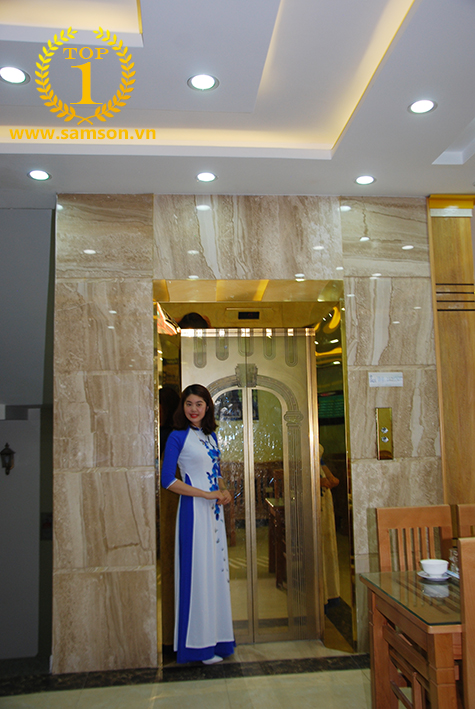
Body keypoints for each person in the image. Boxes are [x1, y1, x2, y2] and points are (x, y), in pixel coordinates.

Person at [161, 384, 235, 664]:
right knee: (197, 575)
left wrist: (223, 491)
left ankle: (217, 641)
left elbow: (216, 473)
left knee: (215, 573)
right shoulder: (176, 437)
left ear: (207, 407)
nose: (194, 409)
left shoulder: (211, 436)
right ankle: (197, 647)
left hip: (213, 513)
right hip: (193, 512)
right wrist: (206, 495)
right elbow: (168, 480)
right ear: (183, 407)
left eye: (199, 404)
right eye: (189, 404)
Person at [319, 443, 341, 605]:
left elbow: (321, 464)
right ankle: (320, 594)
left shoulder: (316, 446)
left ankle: (331, 592)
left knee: (327, 546)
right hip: (312, 497)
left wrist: (330, 478)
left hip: (324, 498)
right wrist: (318, 482)